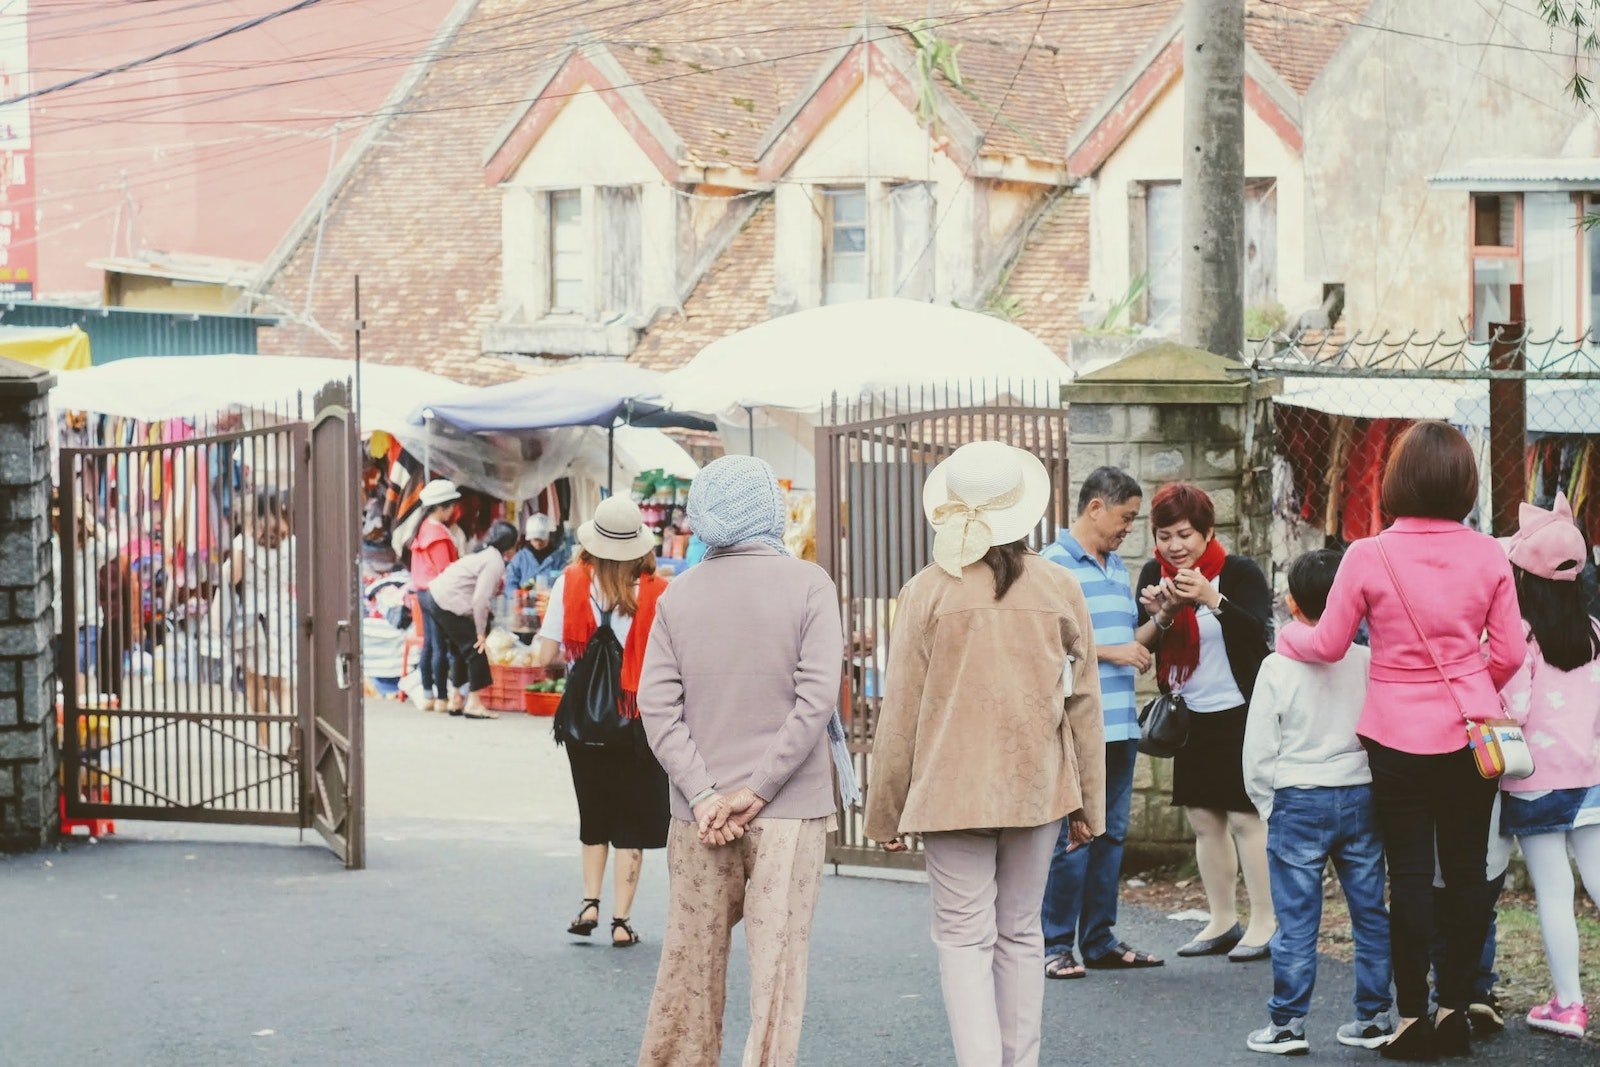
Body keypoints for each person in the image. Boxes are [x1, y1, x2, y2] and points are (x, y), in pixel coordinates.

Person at [1274, 420, 1523, 1061]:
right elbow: (1513, 653)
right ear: (1466, 484)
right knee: (1466, 875)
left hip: (1395, 736)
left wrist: (1284, 637)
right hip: (1472, 736)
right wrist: (1471, 681)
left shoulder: (1367, 554)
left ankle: (1410, 1018)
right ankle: (1454, 1009)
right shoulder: (1490, 554)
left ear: (1397, 479)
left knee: (1408, 874)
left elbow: (1328, 644)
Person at [867, 441, 1105, 1067]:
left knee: (963, 940)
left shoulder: (926, 590)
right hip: (1038, 786)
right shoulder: (1059, 586)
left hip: (950, 789)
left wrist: (885, 809)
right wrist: (1090, 805)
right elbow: (1084, 703)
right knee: (1022, 933)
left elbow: (902, 710)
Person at [636, 456, 844, 1067]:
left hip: (700, 815)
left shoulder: (680, 594)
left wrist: (704, 794)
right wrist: (760, 786)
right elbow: (816, 699)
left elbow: (657, 707)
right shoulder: (810, 584)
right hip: (789, 809)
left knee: (690, 965)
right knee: (777, 968)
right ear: (770, 513)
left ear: (703, 517)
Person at [1241, 549, 1394, 1055]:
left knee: (1297, 918)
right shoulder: (1367, 661)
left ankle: (1287, 1025)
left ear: (1290, 603)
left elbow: (1260, 749)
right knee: (1370, 911)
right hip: (1359, 793)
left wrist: (1267, 803)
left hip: (1298, 798)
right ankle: (1373, 1016)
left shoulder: (1276, 666)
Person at [1134, 482, 1276, 962]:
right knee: (1202, 818)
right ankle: (1221, 920)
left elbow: (1258, 635)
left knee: (1244, 816)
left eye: (1185, 534)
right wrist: (1167, 613)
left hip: (1239, 710)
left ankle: (1265, 920)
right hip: (1188, 712)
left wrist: (1214, 599)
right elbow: (1144, 644)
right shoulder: (1155, 573)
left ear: (1208, 531)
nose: (1175, 546)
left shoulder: (1238, 573)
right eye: (1165, 534)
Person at [1039, 466, 1162, 979]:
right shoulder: (1050, 565)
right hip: (1078, 726)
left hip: (1121, 726)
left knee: (1111, 836)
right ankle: (1055, 945)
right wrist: (1114, 652)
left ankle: (1099, 939)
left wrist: (1166, 614)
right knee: (1076, 837)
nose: (1129, 528)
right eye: (1126, 517)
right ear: (1095, 507)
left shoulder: (1116, 568)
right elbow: (1046, 647)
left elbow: (1131, 643)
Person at [534, 496, 670, 950]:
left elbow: (546, 656)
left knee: (594, 813)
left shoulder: (570, 583)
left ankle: (588, 903)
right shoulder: (658, 592)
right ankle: (620, 920)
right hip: (638, 723)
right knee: (631, 821)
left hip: (585, 728)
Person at [1495, 493, 1600, 1041]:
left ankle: (1569, 1004)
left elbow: (1511, 707)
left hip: (1534, 782)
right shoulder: (1596, 633)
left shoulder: (1523, 637)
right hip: (1591, 779)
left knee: (1555, 893)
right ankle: (1566, 1002)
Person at [418, 520, 518, 721]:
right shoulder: (495, 561)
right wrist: (481, 632)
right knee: (476, 648)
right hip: (445, 600)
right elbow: (480, 600)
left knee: (459, 649)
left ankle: (456, 698)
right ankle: (473, 703)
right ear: (511, 545)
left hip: (434, 597)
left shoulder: (485, 553)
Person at [231, 489, 295, 752]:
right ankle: (294, 736)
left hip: (252, 619)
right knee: (282, 683)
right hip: (281, 617)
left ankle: (264, 741)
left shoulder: (243, 543)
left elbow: (232, 579)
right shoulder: (289, 542)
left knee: (254, 681)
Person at [407, 480, 462, 713]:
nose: (452, 511)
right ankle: (441, 697)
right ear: (441, 508)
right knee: (439, 645)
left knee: (429, 644)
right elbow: (445, 570)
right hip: (436, 592)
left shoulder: (424, 528)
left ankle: (428, 694)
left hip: (422, 592)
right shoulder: (438, 533)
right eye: (450, 507)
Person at [506, 512, 569, 594]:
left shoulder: (559, 557)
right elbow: (510, 584)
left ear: (548, 536)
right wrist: (519, 596)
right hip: (525, 603)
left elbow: (566, 582)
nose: (539, 542)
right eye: (536, 539)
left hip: (551, 603)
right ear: (529, 538)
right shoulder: (520, 558)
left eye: (542, 539)